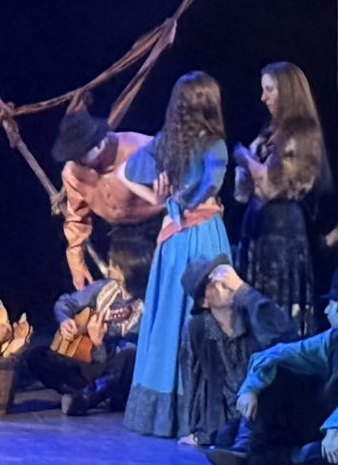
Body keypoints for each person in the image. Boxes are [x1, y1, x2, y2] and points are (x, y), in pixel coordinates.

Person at [120, 70, 233, 439]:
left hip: (172, 242)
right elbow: (211, 184)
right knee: (198, 316)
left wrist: (163, 199)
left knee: (171, 315)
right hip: (201, 238)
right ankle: (197, 415)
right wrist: (180, 199)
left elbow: (125, 173)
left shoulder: (165, 143)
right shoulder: (213, 145)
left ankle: (162, 415)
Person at [210, 266, 338, 465]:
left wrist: (336, 426)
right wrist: (251, 387)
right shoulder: (336, 338)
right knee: (277, 373)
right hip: (331, 422)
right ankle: (248, 451)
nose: (326, 310)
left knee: (324, 451)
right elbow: (284, 352)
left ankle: (286, 459)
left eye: (331, 304)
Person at [233, 62, 329, 335]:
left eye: (269, 90)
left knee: (279, 304)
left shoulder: (303, 134)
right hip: (258, 227)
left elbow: (269, 185)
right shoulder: (268, 132)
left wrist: (243, 156)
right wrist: (247, 165)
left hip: (282, 231)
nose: (263, 97)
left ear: (287, 92)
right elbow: (242, 192)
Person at [23, 228, 151, 416]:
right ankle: (93, 393)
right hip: (92, 365)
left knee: (128, 358)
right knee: (37, 356)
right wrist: (65, 321)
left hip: (118, 370)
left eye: (114, 264)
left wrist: (99, 343)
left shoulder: (146, 305)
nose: (109, 266)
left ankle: (85, 399)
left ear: (125, 272)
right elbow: (65, 303)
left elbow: (126, 355)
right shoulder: (104, 289)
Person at [181, 255, 297, 451]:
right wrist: (197, 430)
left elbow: (285, 335)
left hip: (262, 405)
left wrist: (244, 291)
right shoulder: (199, 328)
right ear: (204, 302)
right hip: (227, 415)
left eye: (224, 280)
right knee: (224, 437)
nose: (224, 286)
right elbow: (192, 379)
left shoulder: (252, 313)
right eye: (213, 284)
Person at [51, 108, 165, 289]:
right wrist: (76, 260)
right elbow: (77, 217)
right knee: (124, 279)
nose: (77, 162)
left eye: (80, 156)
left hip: (159, 222)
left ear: (97, 145)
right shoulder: (72, 172)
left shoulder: (138, 149)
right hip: (123, 233)